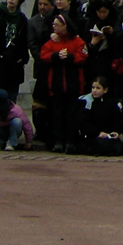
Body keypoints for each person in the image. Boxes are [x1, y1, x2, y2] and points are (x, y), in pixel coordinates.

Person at [38, 12, 88, 153]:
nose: (53, 27)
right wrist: (55, 56)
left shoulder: (77, 41)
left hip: (74, 85)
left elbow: (83, 56)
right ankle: (58, 141)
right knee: (57, 115)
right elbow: (44, 55)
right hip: (56, 84)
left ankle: (70, 141)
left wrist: (69, 57)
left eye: (56, 24)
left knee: (71, 115)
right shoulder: (52, 41)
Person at [77, 76, 123, 155]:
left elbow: (119, 120)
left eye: (98, 88)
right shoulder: (87, 102)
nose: (94, 90)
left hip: (108, 135)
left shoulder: (112, 103)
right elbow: (83, 123)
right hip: (92, 135)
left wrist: (117, 132)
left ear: (105, 90)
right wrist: (98, 133)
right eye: (93, 88)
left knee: (117, 148)